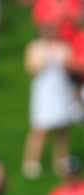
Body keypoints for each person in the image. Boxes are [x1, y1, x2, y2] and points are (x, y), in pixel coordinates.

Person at [21, 21, 75, 179]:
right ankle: (31, 161)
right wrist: (44, 60)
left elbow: (71, 68)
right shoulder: (35, 47)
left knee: (62, 127)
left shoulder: (63, 46)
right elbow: (30, 68)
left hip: (61, 89)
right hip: (43, 91)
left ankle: (60, 160)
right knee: (39, 127)